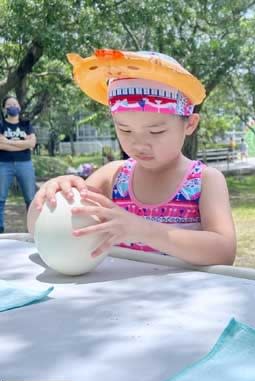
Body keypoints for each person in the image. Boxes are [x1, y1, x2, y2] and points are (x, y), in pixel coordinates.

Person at [27, 49, 236, 266]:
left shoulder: (205, 181)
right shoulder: (113, 177)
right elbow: (40, 228)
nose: (138, 144)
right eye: (125, 130)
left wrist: (143, 230)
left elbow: (224, 251)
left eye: (156, 132)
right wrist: (49, 197)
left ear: (190, 124)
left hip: (185, 297)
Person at [0, 96, 37, 234]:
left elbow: (32, 143)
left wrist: (7, 142)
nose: (13, 107)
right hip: (3, 164)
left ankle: (32, 229)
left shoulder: (26, 125)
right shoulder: (1, 125)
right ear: (5, 109)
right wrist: (23, 144)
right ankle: (0, 230)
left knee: (30, 199)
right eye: (9, 105)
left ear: (19, 107)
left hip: (25, 164)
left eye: (15, 104)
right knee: (0, 198)